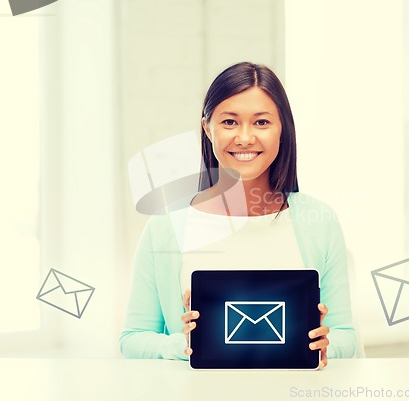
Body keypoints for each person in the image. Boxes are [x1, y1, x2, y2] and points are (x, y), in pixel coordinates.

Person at [120, 62, 357, 367]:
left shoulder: (319, 221)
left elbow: (346, 335)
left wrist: (325, 344)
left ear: (282, 128)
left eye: (261, 123)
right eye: (230, 122)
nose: (245, 138)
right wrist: (188, 344)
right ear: (207, 128)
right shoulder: (166, 226)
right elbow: (133, 338)